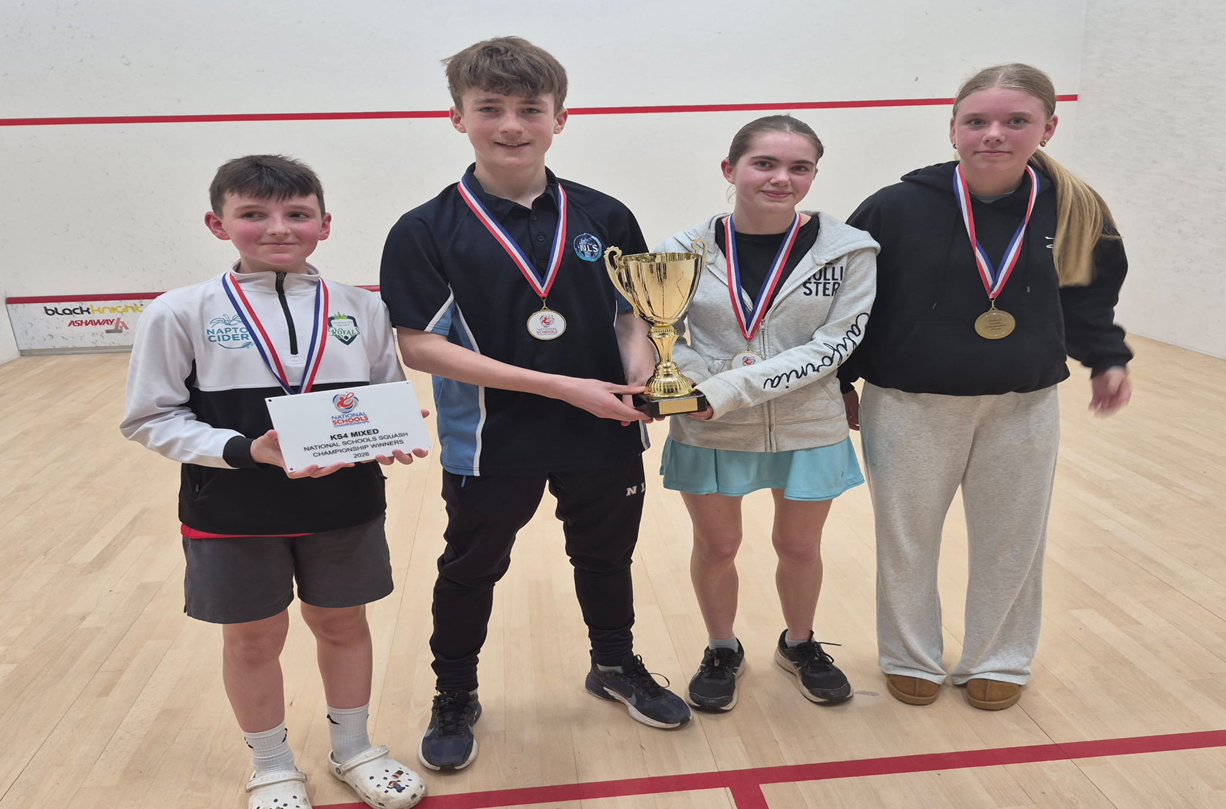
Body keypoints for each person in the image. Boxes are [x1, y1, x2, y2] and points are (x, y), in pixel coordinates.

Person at [379, 37, 690, 773]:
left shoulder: (605, 214)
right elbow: (419, 346)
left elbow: (632, 313)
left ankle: (613, 664)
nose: (511, 125)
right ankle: (454, 692)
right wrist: (562, 387)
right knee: (471, 566)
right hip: (492, 439)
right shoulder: (424, 229)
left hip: (605, 428)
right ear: (458, 117)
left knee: (606, 556)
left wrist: (642, 370)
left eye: (530, 109)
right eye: (490, 108)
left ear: (560, 118)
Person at [121, 155, 427, 809]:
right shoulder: (179, 312)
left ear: (324, 223)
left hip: (344, 503)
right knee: (253, 637)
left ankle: (354, 749)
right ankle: (272, 763)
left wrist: (393, 432)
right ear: (218, 222)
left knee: (344, 624)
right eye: (254, 214)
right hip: (230, 507)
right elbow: (150, 417)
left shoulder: (362, 308)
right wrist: (242, 449)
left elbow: (386, 392)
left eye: (296, 213)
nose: (278, 227)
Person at [838, 64, 1133, 711]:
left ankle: (999, 657)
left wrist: (1107, 359)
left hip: (1022, 405)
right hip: (909, 404)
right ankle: (907, 654)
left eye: (1015, 121)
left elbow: (1088, 298)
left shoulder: (1077, 209)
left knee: (1013, 537)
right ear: (953, 129)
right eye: (977, 121)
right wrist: (840, 380)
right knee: (906, 536)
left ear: (1048, 128)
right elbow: (850, 305)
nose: (993, 134)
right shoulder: (894, 206)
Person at [654, 115, 878, 711]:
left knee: (801, 548)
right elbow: (667, 335)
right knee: (718, 546)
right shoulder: (681, 251)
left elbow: (835, 344)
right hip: (708, 424)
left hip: (809, 424)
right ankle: (722, 647)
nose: (782, 178)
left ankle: (800, 643)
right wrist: (697, 387)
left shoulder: (850, 250)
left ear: (813, 175)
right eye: (765, 164)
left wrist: (724, 390)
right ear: (730, 170)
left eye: (799, 167)